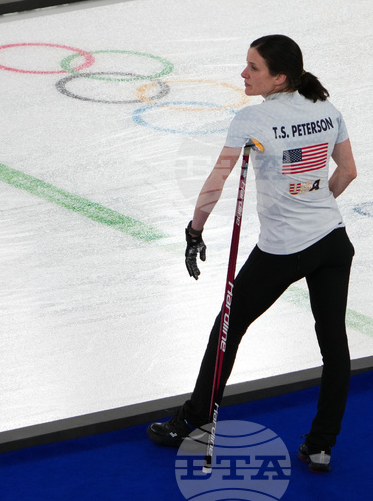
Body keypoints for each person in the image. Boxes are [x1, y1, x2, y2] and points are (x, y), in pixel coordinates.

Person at [146, 35, 357, 473]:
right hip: (333, 243)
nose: (243, 74)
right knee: (334, 346)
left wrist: (194, 230)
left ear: (279, 77)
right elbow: (348, 172)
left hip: (282, 251)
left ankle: (195, 420)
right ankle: (321, 445)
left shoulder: (252, 120)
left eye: (253, 67)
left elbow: (215, 184)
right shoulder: (328, 110)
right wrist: (318, 206)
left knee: (227, 328)